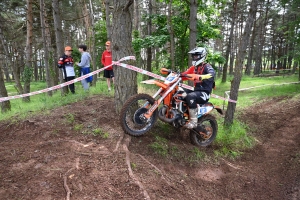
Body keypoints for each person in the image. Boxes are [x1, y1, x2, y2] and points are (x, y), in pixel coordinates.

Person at [181, 47, 216, 129]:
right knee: (179, 91)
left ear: (202, 56)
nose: (194, 58)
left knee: (190, 96)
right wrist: (173, 74)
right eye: (193, 56)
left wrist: (200, 77)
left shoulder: (207, 67)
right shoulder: (194, 68)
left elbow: (212, 74)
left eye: (196, 56)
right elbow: (185, 74)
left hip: (204, 93)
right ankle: (180, 115)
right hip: (196, 91)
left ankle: (193, 121)